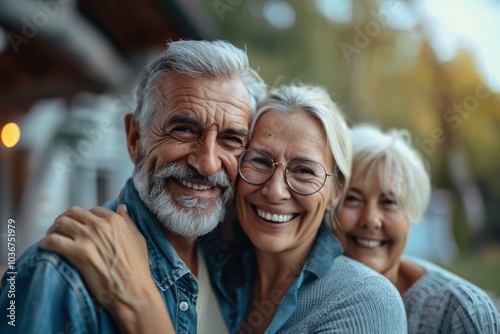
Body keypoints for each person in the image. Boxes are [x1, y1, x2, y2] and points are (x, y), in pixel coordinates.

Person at [39, 84, 408, 333]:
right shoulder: (220, 266)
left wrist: (141, 303)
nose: (276, 190)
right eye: (259, 162)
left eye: (304, 171)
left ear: (335, 190)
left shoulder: (364, 301)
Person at [0, 39, 266, 334]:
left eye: (231, 139)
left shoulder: (239, 269)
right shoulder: (59, 275)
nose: (207, 164)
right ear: (134, 139)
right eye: (184, 130)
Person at [334, 124, 500, 333]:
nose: (371, 219)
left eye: (390, 202)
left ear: (412, 214)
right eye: (353, 199)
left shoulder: (462, 314)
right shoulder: (300, 295)